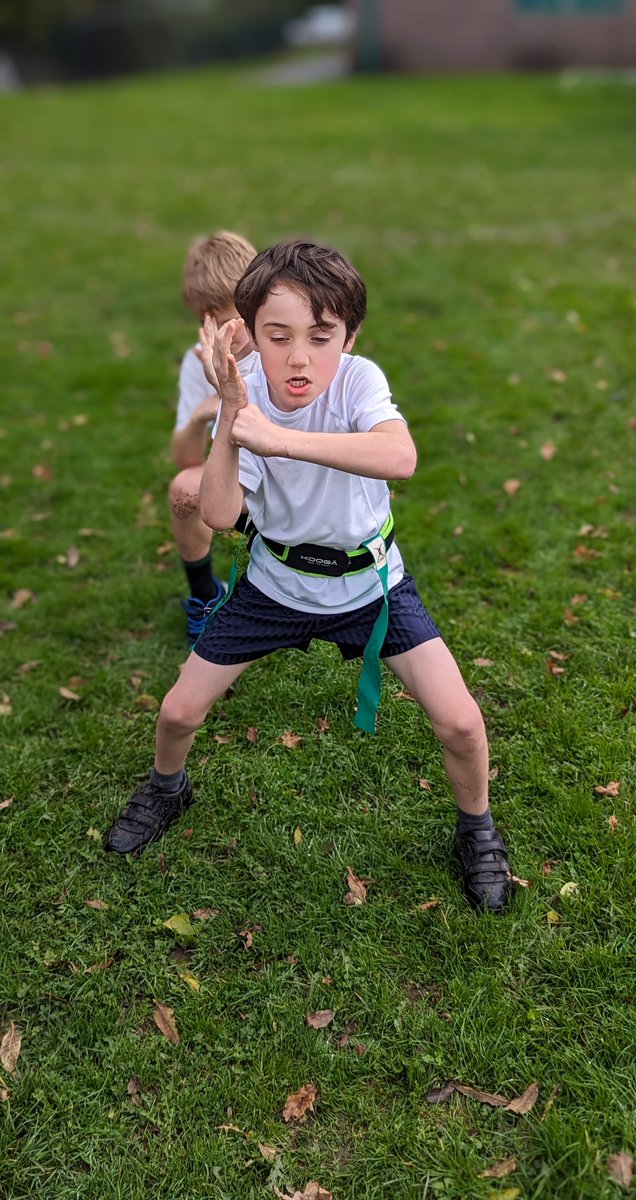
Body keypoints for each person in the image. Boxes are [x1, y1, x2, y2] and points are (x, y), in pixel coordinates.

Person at [107, 240, 514, 914]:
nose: (299, 356)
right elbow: (217, 511)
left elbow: (400, 455)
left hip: (370, 587)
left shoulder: (357, 380)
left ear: (348, 336)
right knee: (178, 710)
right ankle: (167, 787)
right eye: (278, 336)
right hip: (275, 587)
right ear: (250, 337)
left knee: (462, 725)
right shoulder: (249, 395)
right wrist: (235, 413)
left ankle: (477, 830)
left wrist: (282, 438)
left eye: (320, 337)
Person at [171, 230, 258, 640]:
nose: (227, 334)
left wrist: (230, 398)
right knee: (185, 489)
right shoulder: (198, 361)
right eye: (212, 323)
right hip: (241, 489)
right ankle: (205, 596)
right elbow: (187, 460)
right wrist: (199, 417)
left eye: (234, 318)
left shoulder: (283, 346)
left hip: (300, 483)